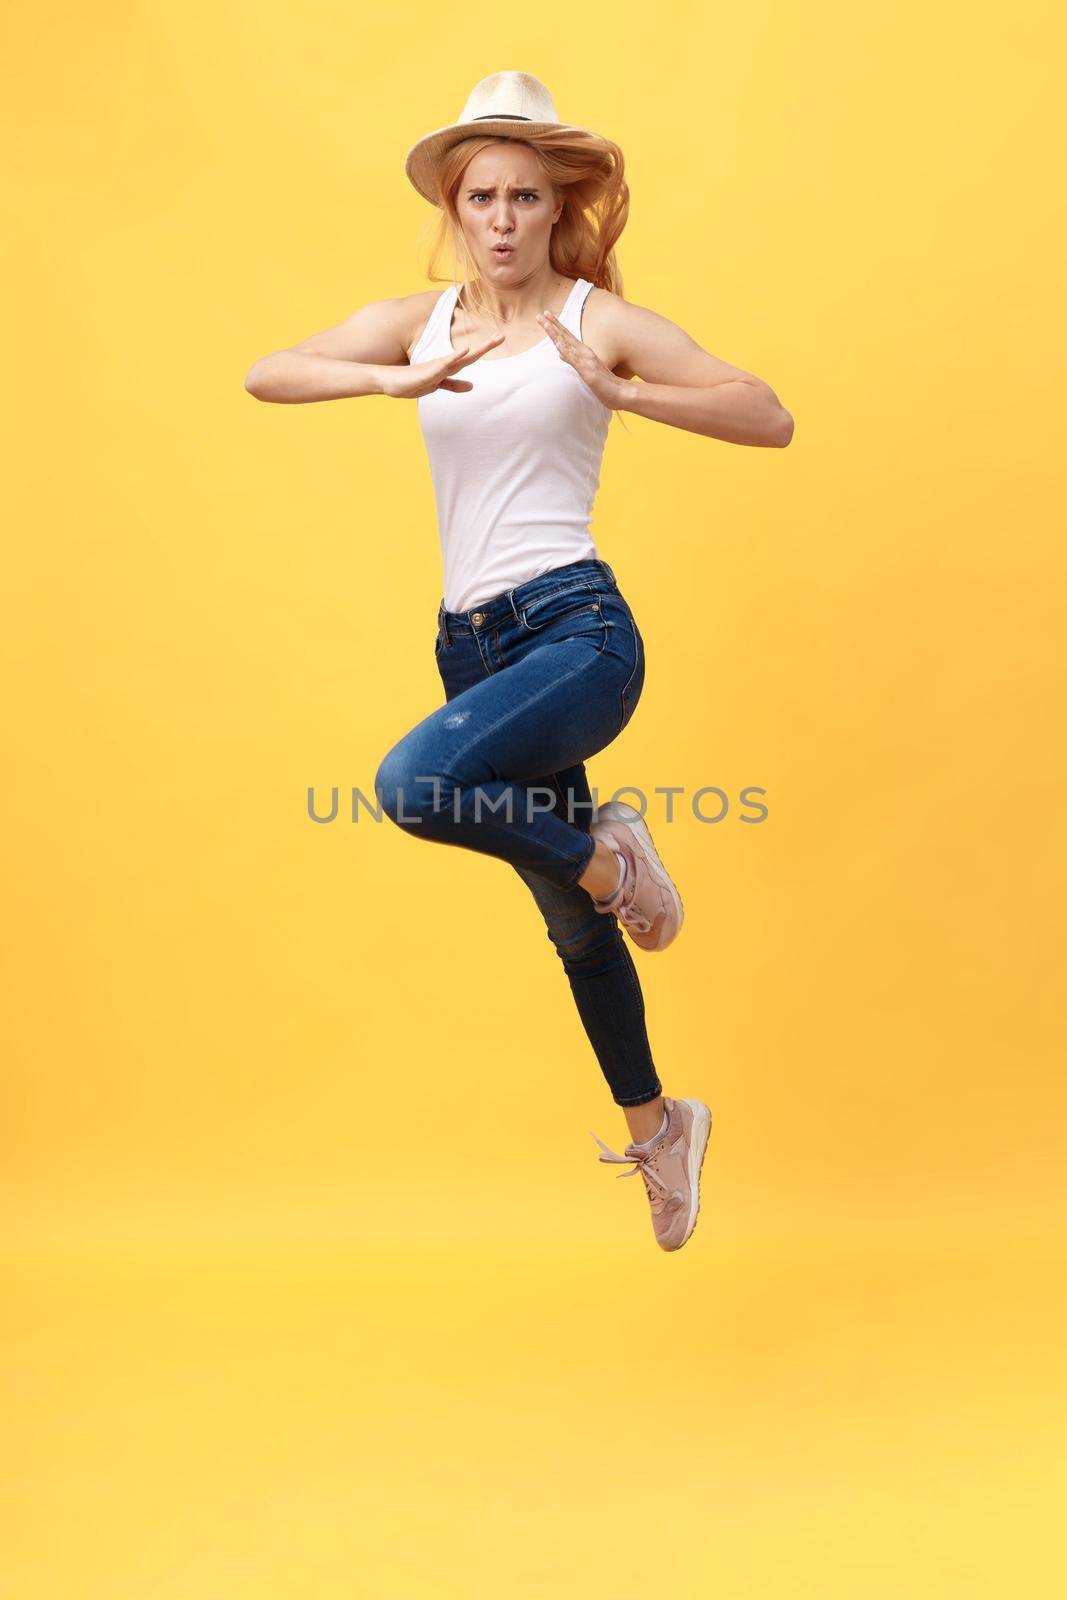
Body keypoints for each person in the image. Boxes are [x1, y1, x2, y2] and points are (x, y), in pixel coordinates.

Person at [244, 71, 793, 1252]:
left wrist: (624, 391)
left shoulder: (594, 321)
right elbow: (268, 370)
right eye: (480, 197)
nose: (499, 220)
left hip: (575, 633)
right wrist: (384, 379)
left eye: (524, 198)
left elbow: (766, 413)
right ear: (455, 207)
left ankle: (606, 859)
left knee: (409, 787)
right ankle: (662, 1123)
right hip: (470, 647)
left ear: (557, 208)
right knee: (573, 927)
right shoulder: (419, 323)